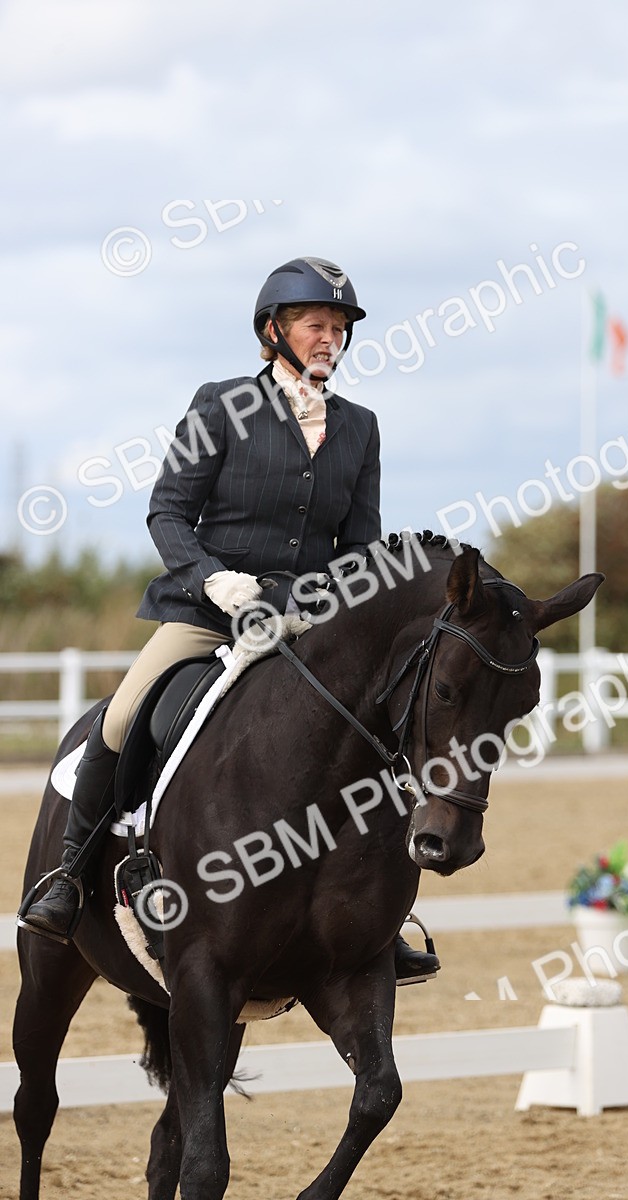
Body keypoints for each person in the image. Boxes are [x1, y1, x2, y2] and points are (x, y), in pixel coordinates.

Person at [21, 256, 440, 983]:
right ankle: (68, 877)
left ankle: (381, 910)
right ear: (273, 331)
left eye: (339, 327)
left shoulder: (359, 428)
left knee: (377, 727)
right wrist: (215, 579)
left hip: (307, 623)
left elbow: (362, 546)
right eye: (317, 324)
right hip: (209, 612)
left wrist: (342, 607)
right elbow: (168, 512)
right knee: (121, 722)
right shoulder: (220, 407)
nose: (330, 338)